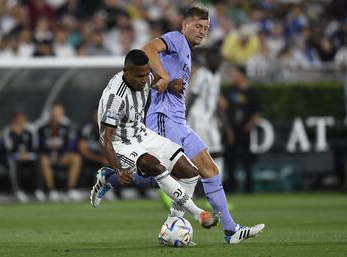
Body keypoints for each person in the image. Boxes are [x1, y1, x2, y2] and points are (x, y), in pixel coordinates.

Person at [142, 6, 264, 244]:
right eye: (197, 26)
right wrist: (164, 78)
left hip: (179, 121)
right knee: (168, 172)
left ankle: (230, 230)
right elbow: (147, 49)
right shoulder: (176, 38)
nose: (201, 31)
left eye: (206, 28)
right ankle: (113, 175)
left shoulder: (186, 50)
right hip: (163, 117)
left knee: (208, 169)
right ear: (184, 25)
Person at [90, 49, 220, 230]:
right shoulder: (115, 99)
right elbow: (105, 138)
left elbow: (157, 79)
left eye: (146, 74)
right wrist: (118, 168)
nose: (144, 79)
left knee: (190, 173)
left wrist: (171, 84)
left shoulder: (145, 76)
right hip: (120, 143)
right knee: (155, 166)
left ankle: (171, 225)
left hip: (142, 133)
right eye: (139, 76)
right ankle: (199, 214)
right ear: (126, 72)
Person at [222, 65, 261, 193]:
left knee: (246, 160)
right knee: (230, 160)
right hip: (231, 131)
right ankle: (231, 187)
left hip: (244, 131)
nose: (232, 76)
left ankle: (249, 187)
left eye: (235, 73)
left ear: (242, 75)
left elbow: (256, 113)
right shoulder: (230, 91)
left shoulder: (251, 92)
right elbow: (224, 107)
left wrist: (247, 128)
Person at [38, 103, 82, 201]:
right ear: (50, 113)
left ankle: (70, 189)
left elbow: (69, 146)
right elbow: (40, 147)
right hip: (48, 158)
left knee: (76, 158)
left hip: (61, 157)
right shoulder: (42, 129)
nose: (56, 115)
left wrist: (63, 154)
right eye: (54, 112)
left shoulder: (66, 129)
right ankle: (51, 190)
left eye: (58, 113)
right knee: (43, 159)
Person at [0, 112, 44, 202]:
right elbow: (7, 148)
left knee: (37, 163)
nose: (20, 122)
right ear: (14, 120)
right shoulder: (8, 130)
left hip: (28, 157)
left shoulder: (30, 130)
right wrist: (18, 153)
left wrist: (27, 154)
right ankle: (18, 191)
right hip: (13, 157)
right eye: (18, 120)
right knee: (15, 164)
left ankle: (38, 190)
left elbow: (35, 147)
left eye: (22, 120)